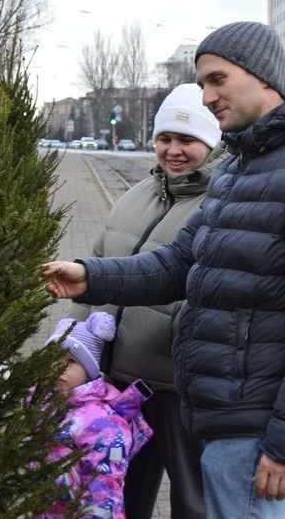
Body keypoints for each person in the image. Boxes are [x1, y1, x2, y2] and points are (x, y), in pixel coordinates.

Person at [43, 21, 285, 518]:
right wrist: (90, 275)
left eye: (217, 80)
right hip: (219, 412)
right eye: (202, 83)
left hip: (258, 425)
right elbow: (178, 264)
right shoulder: (241, 168)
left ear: (261, 75)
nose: (206, 96)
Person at [66, 82, 227, 519]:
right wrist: (72, 346)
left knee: (193, 498)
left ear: (213, 144)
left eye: (188, 140)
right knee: (118, 492)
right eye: (165, 138)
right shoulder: (137, 196)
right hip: (119, 381)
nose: (173, 150)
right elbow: (98, 271)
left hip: (178, 387)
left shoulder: (223, 204)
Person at [38, 312, 152, 519]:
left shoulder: (103, 423)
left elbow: (105, 486)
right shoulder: (46, 404)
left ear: (89, 370)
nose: (58, 367)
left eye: (70, 361)